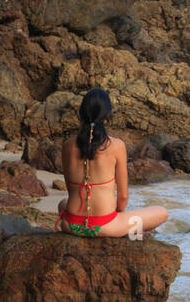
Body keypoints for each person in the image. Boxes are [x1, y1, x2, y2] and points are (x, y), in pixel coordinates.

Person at [56, 88, 168, 239]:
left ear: (81, 113)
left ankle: (115, 226)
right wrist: (119, 218)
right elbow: (123, 197)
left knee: (62, 204)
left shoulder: (67, 145)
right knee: (162, 212)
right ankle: (128, 230)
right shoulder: (117, 146)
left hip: (71, 225)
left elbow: (71, 191)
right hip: (105, 226)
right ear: (107, 116)